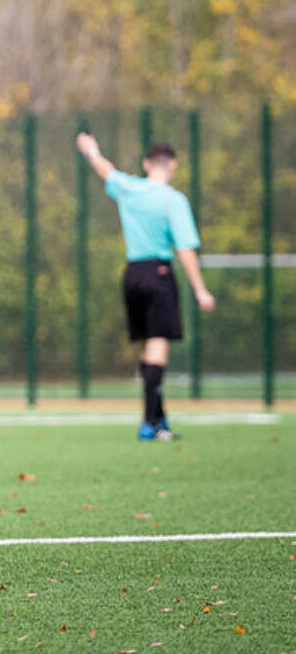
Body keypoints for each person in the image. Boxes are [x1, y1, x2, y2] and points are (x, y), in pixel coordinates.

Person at [76, 133, 216, 440]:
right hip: (159, 273)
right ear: (173, 164)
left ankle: (160, 419)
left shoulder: (129, 189)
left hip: (132, 274)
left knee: (148, 350)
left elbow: (106, 170)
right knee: (157, 345)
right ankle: (150, 422)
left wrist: (91, 150)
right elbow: (186, 249)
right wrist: (200, 288)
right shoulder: (172, 199)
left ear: (146, 163)